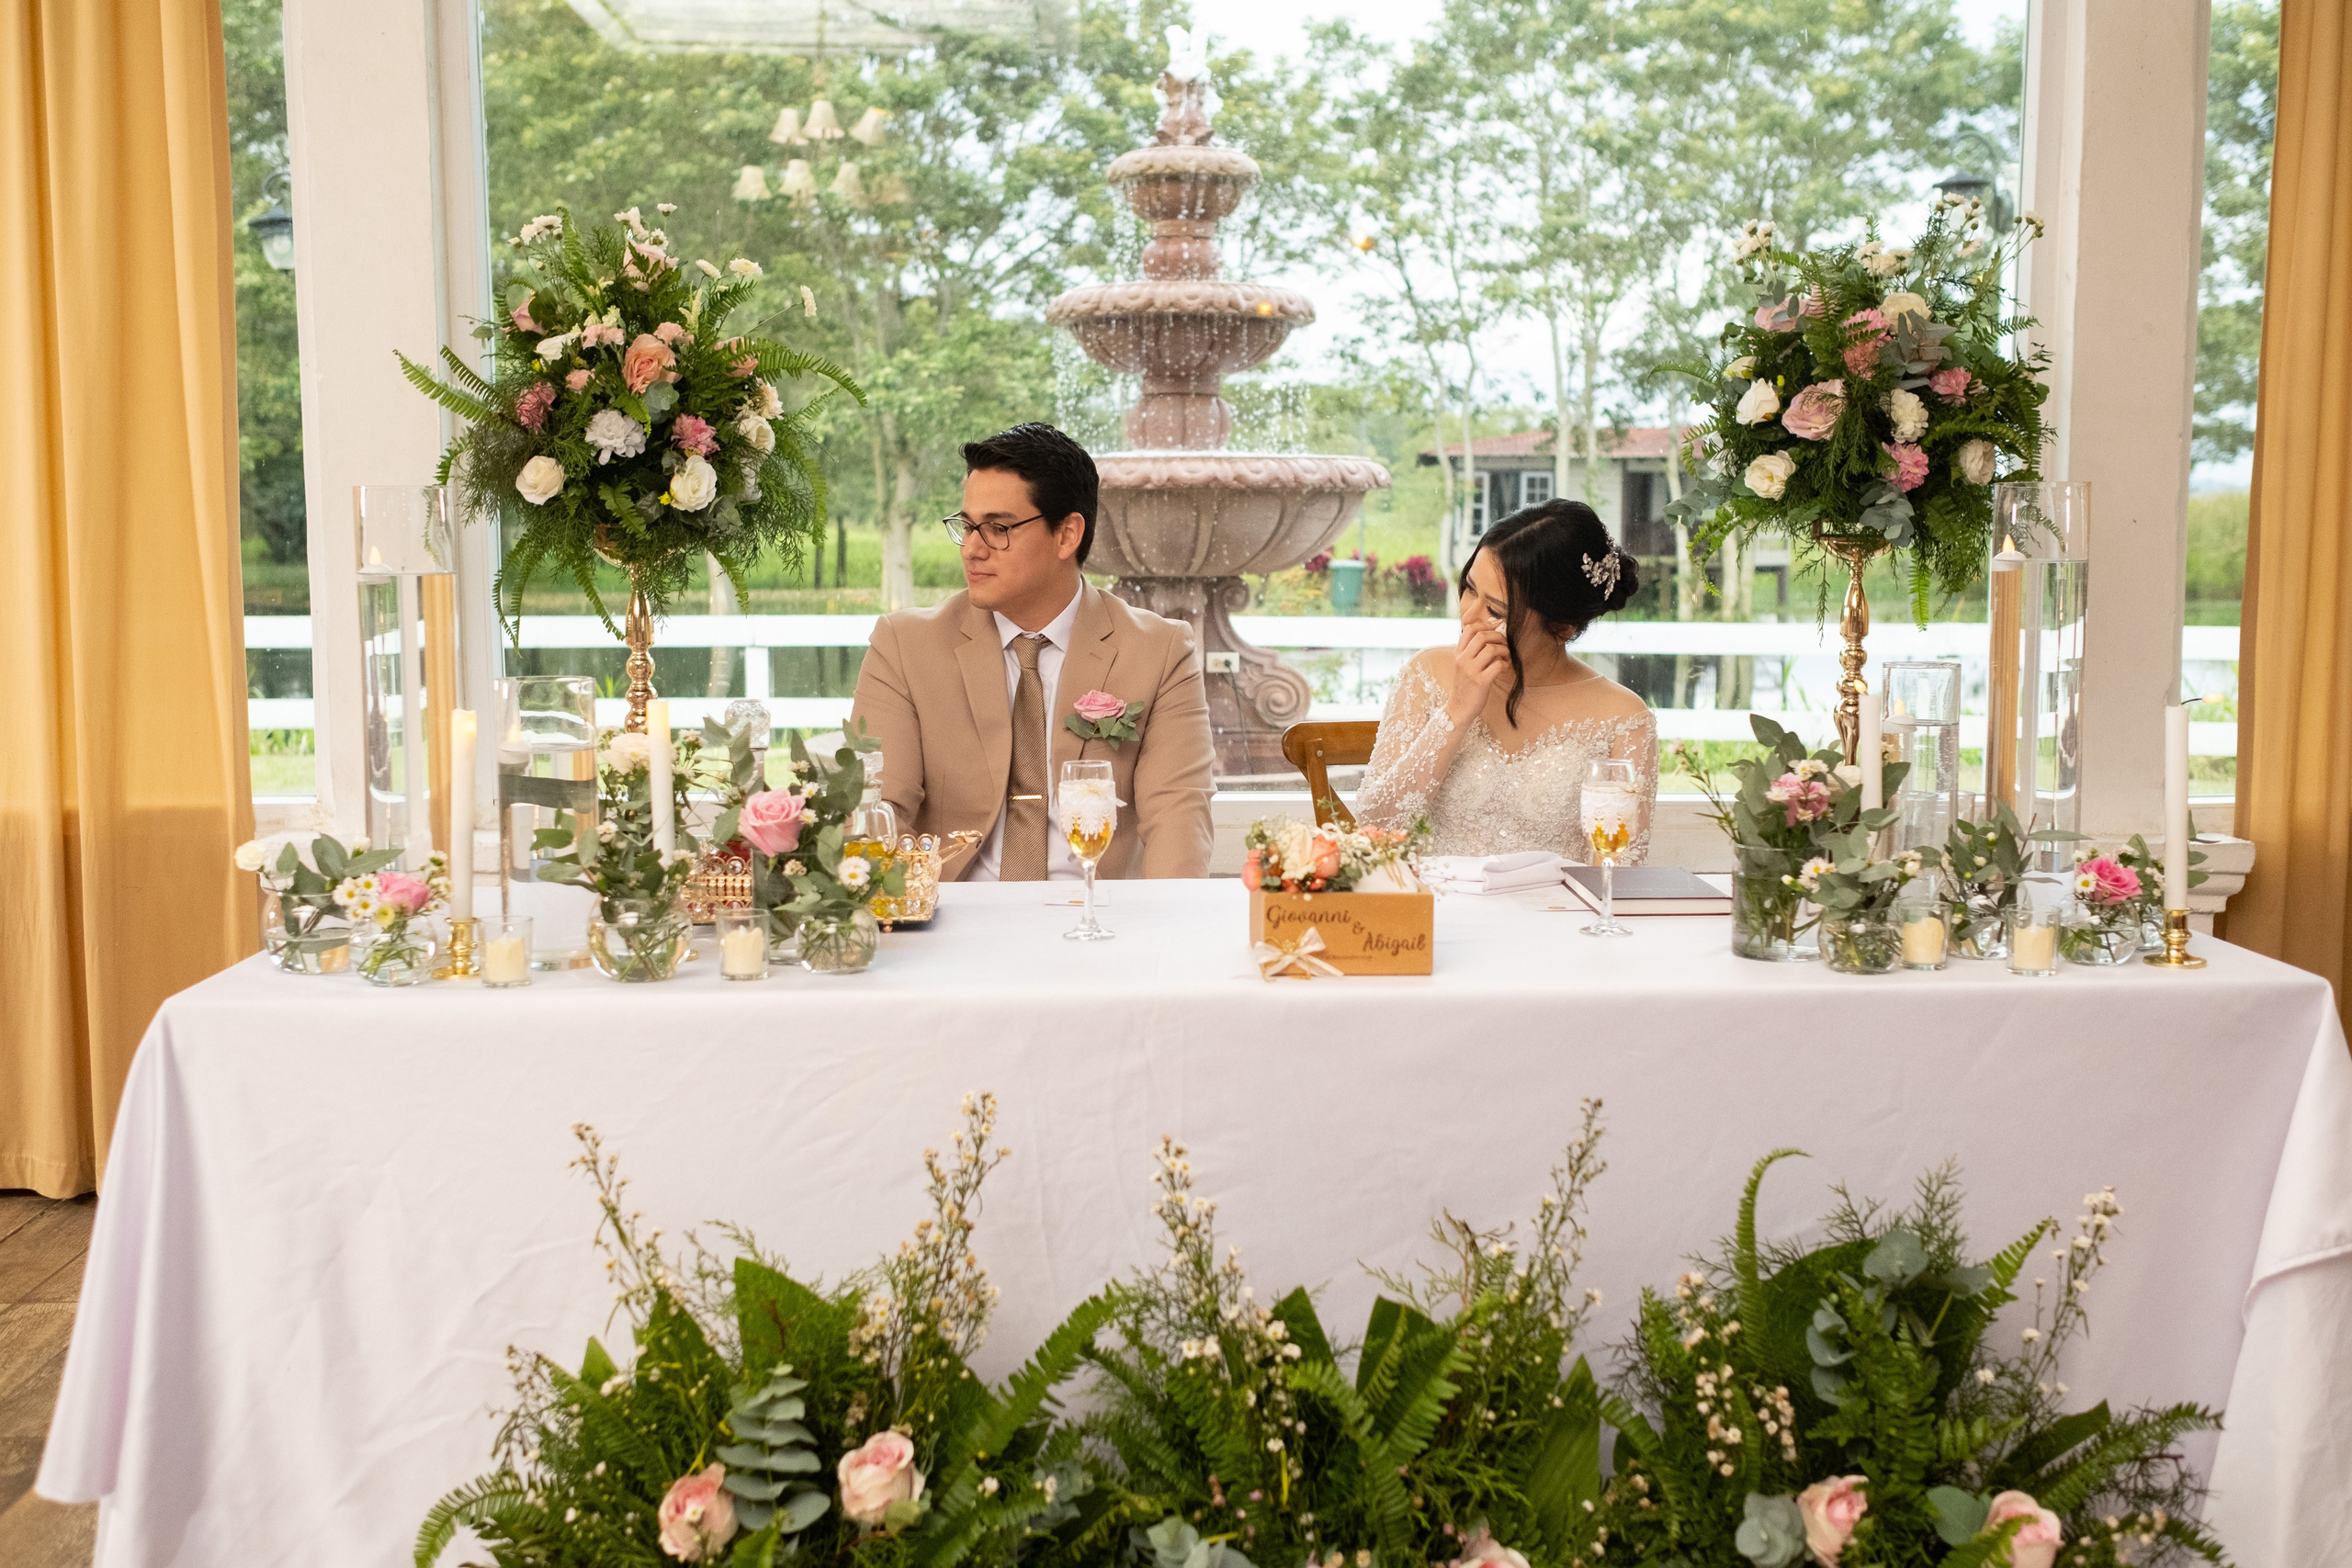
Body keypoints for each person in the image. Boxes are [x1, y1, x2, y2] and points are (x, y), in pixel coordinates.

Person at [851, 423, 1216, 881]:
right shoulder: (904, 647)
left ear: (1067, 535)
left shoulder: (1158, 651)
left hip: (1094, 910)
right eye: (967, 526)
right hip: (949, 911)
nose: (972, 549)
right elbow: (877, 811)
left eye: (997, 528)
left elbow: (1179, 819)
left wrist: (1164, 924)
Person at [1355, 499, 1657, 862]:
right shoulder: (1427, 673)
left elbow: (1620, 869)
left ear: (1562, 627)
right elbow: (1373, 827)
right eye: (1470, 589)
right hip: (1435, 897)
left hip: (1557, 900)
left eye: (1494, 609)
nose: (1468, 616)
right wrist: (1456, 713)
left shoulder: (1624, 717)